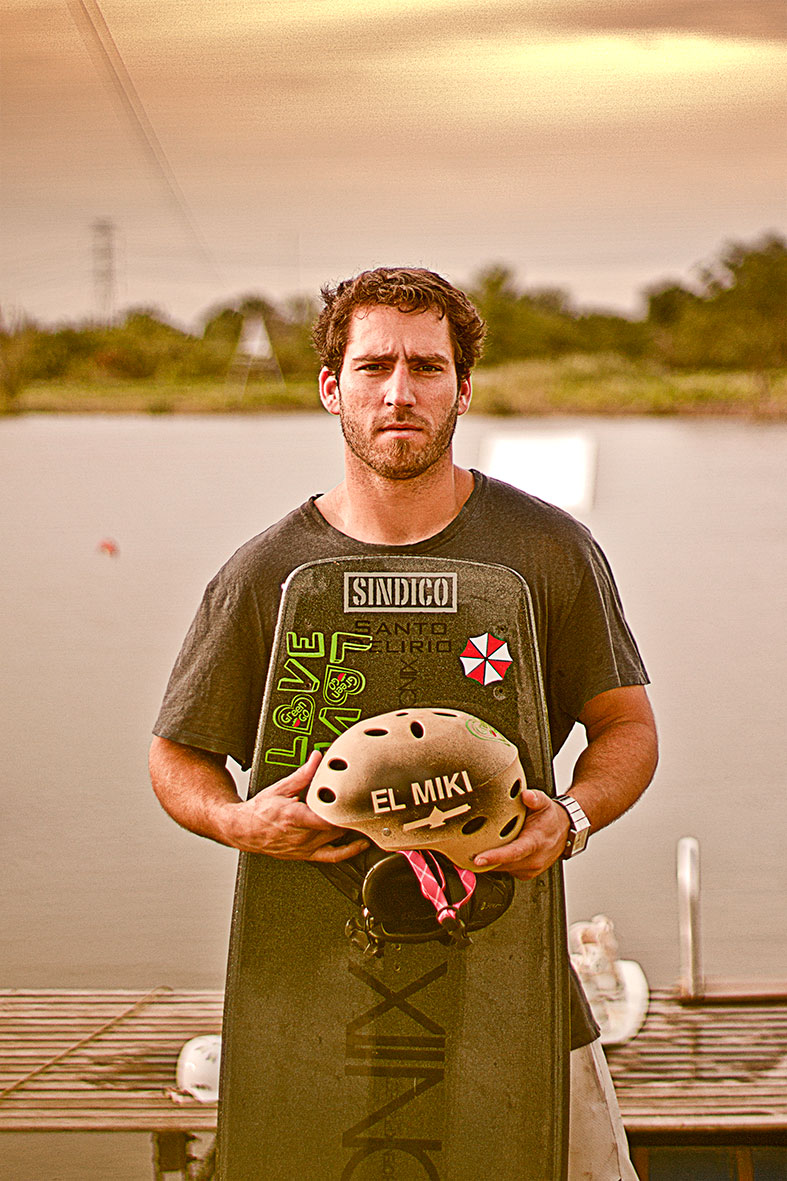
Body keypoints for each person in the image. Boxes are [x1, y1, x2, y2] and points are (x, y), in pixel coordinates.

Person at [150, 267, 657, 1180]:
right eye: (374, 365)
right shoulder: (265, 572)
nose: (399, 392)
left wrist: (571, 818)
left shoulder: (548, 549)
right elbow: (177, 754)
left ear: (463, 389)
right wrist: (239, 820)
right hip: (309, 988)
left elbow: (625, 726)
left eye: (427, 367)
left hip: (517, 976)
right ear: (330, 387)